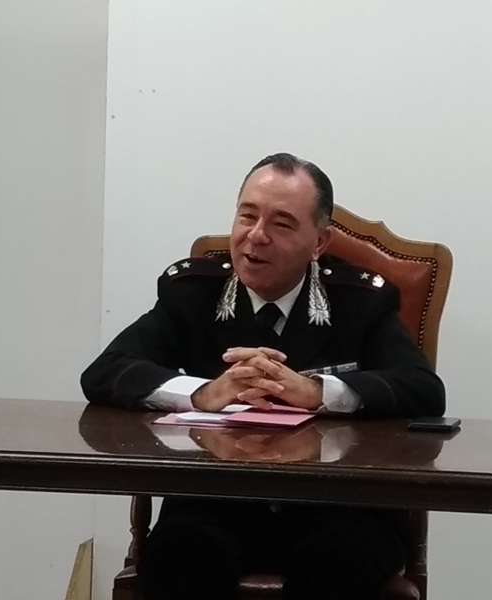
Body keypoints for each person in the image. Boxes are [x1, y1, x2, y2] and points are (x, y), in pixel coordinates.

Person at [81, 152, 446, 600]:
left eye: (281, 224)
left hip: (339, 504)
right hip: (216, 501)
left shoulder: (360, 300)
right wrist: (202, 393)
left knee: (337, 562)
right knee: (181, 557)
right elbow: (107, 371)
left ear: (319, 242)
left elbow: (423, 388)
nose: (256, 236)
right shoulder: (192, 293)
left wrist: (318, 392)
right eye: (247, 216)